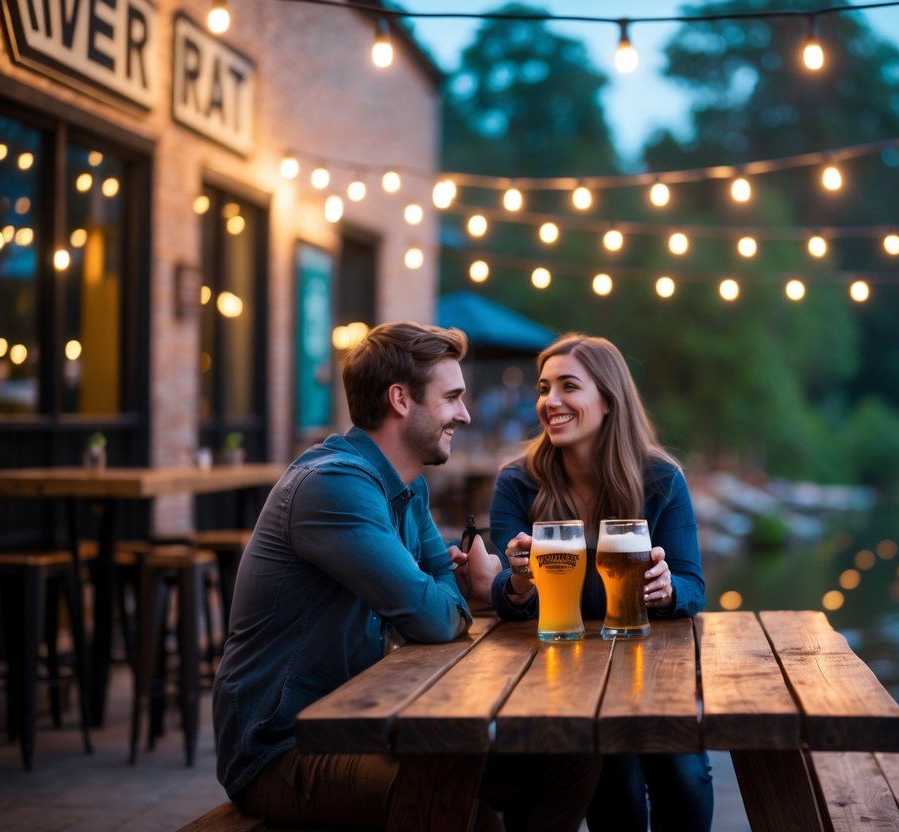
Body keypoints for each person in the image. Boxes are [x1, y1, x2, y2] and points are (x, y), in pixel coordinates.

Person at [212, 322, 601, 831]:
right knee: (456, 809)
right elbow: (438, 615)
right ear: (400, 399)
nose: (464, 414)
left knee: (568, 756)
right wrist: (441, 591)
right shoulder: (333, 485)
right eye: (452, 398)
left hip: (368, 727)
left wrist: (438, 588)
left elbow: (440, 584)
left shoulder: (405, 486)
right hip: (283, 748)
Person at [488, 333, 713, 832]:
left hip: (648, 663)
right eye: (544, 388)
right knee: (615, 776)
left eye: (569, 387)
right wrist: (519, 582)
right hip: (558, 673)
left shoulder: (660, 479)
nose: (551, 402)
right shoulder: (517, 482)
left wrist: (667, 587)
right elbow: (506, 596)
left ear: (608, 401)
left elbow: (694, 584)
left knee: (685, 774)